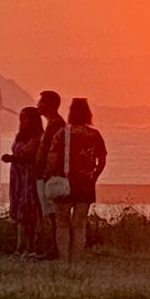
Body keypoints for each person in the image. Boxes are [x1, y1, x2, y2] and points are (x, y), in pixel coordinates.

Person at [46, 98, 106, 261]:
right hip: (85, 184)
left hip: (64, 182)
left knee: (62, 223)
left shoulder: (62, 134)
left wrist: (49, 175)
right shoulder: (94, 135)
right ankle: (77, 258)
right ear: (88, 113)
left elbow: (52, 158)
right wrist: (93, 177)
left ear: (71, 112)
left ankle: (64, 259)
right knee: (79, 224)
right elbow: (102, 161)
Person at [2, 107, 43, 256]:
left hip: (29, 176)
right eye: (21, 117)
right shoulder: (20, 136)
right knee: (20, 211)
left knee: (29, 212)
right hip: (18, 176)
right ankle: (20, 247)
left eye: (26, 118)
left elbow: (30, 155)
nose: (23, 121)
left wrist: (12, 158)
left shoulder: (38, 136)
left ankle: (30, 247)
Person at [34, 90, 65, 259]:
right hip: (45, 174)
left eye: (41, 102)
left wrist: (47, 172)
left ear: (49, 104)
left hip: (48, 176)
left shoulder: (56, 125)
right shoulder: (53, 124)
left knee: (50, 213)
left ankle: (52, 249)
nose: (38, 105)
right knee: (48, 213)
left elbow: (54, 152)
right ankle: (50, 248)